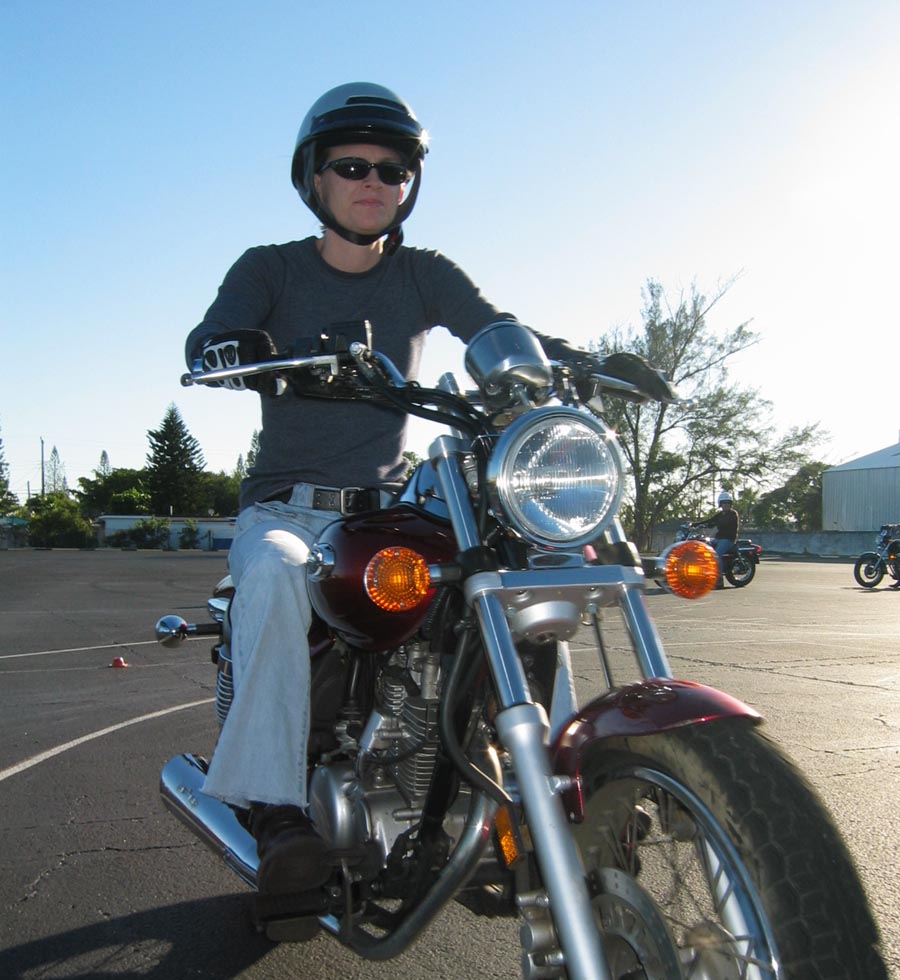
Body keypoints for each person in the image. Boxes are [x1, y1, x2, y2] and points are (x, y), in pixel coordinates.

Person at [185, 81, 671, 898]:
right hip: (289, 510)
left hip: (392, 510)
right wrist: (240, 351)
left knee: (520, 573)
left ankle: (562, 786)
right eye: (352, 166)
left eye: (393, 170)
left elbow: (490, 326)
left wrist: (569, 359)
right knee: (271, 572)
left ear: (410, 185)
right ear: (315, 178)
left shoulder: (423, 273)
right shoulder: (270, 268)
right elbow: (210, 340)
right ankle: (274, 807)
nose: (373, 181)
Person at [705, 491, 740, 587]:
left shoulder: (733, 514)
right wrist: (695, 524)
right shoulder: (720, 515)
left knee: (716, 555)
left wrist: (714, 523)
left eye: (728, 503)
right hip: (718, 538)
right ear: (720, 504)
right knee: (704, 546)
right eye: (724, 503)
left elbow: (725, 522)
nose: (726, 505)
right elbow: (710, 520)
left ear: (731, 504)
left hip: (728, 540)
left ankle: (719, 579)